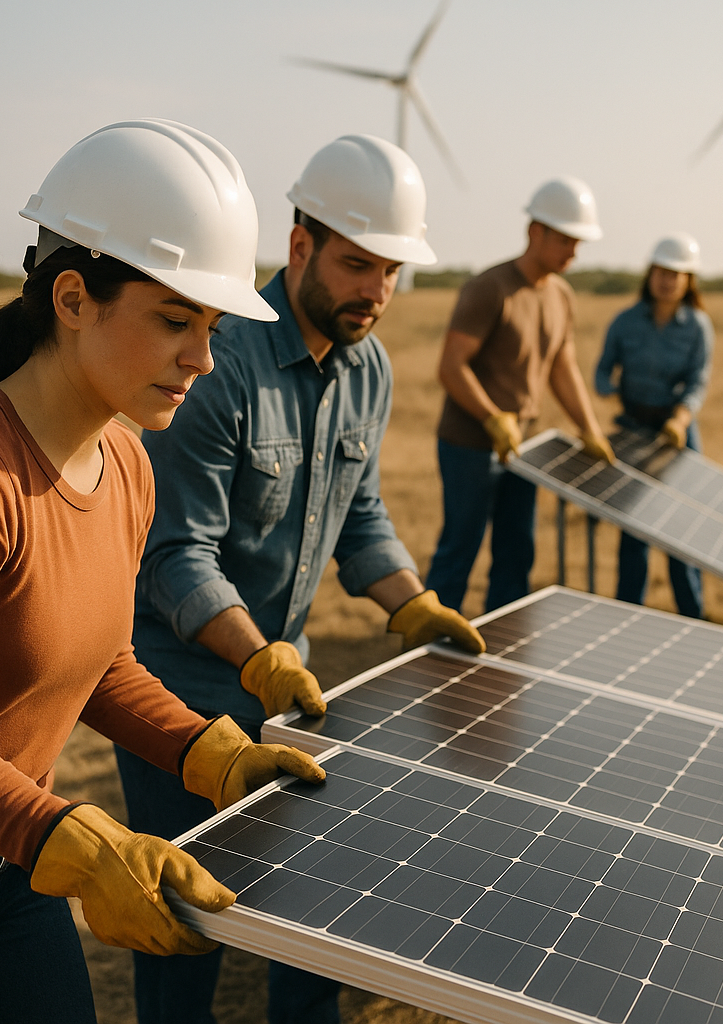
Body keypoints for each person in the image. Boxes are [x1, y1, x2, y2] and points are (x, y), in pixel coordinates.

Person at [0, 119, 326, 1024]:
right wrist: (84, 845)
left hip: (11, 852)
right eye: (176, 320)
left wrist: (208, 752)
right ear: (73, 298)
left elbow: (100, 660)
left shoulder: (130, 461)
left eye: (213, 327)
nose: (204, 358)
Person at [120, 134, 486, 1024]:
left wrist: (415, 603)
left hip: (291, 690)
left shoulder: (372, 370)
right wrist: (257, 659)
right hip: (183, 689)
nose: (377, 292)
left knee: (308, 907)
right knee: (187, 925)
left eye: (393, 271)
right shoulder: (220, 364)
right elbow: (177, 557)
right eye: (359, 264)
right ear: (299, 246)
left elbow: (357, 516)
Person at [425, 176, 615, 614]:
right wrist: (492, 416)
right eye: (566, 239)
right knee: (461, 547)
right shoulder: (489, 288)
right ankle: (425, 655)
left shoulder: (561, 295)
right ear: (536, 231)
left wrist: (589, 429)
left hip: (524, 447)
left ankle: (498, 656)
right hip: (470, 443)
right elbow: (451, 367)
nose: (573, 251)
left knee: (516, 553)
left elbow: (562, 366)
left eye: (578, 242)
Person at [594, 232, 714, 619]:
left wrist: (680, 418)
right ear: (649, 274)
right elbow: (601, 371)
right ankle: (629, 616)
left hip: (676, 434)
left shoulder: (698, 327)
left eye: (677, 274)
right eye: (661, 271)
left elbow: (698, 382)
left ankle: (693, 617)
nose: (668, 280)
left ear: (688, 281)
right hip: (633, 430)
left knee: (681, 533)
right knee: (634, 530)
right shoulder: (625, 322)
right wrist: (608, 389)